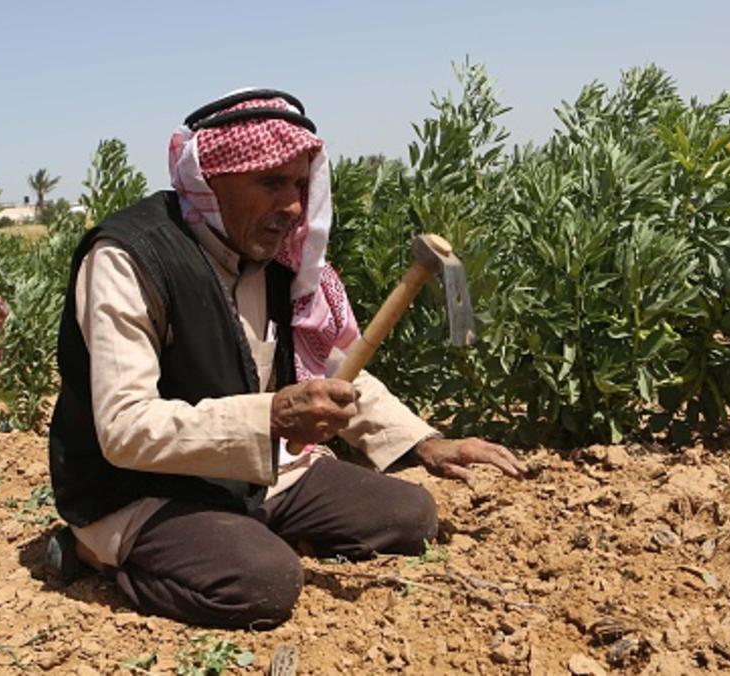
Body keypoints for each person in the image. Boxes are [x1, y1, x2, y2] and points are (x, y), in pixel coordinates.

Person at [46, 89, 527, 629]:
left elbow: (327, 371)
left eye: (300, 184)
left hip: (251, 475)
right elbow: (124, 428)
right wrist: (271, 416)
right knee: (262, 583)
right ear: (212, 178)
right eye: (271, 183)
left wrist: (424, 443)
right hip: (141, 488)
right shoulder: (130, 258)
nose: (295, 206)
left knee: (409, 517)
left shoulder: (276, 258)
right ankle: (95, 552)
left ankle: (239, 528)